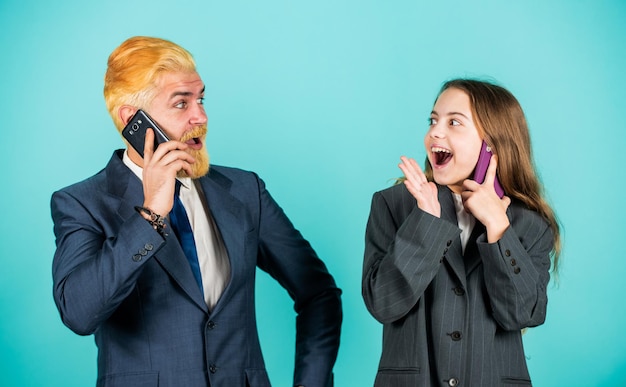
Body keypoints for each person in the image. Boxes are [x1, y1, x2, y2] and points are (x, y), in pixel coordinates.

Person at [51, 36, 342, 387]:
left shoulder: (245, 190)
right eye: (181, 103)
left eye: (200, 99)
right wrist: (151, 215)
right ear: (133, 120)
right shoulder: (83, 202)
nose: (200, 116)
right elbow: (79, 314)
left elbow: (318, 292)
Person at [362, 78, 561, 386]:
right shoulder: (394, 205)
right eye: (433, 120)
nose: (435, 132)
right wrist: (425, 222)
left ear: (491, 146)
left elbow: (523, 314)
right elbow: (384, 303)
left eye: (454, 122)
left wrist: (498, 228)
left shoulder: (528, 225)